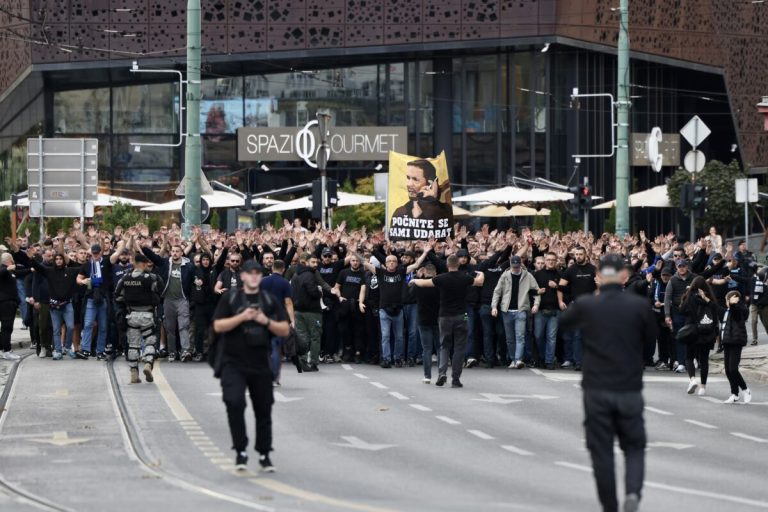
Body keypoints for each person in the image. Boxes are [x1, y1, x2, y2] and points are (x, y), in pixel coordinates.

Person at [559, 253, 657, 512]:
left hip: (596, 389)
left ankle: (610, 506)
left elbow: (563, 323)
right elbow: (650, 339)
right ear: (624, 275)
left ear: (599, 276)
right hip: (629, 387)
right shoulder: (638, 306)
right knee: (635, 446)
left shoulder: (587, 304)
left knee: (601, 451)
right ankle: (633, 492)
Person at [212, 259, 290, 472]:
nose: (254, 276)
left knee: (263, 408)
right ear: (243, 276)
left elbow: (284, 329)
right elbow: (218, 325)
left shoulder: (269, 300)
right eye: (250, 273)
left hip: (259, 363)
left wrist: (266, 321)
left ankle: (264, 454)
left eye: (258, 273)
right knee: (234, 403)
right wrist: (241, 317)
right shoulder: (231, 298)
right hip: (233, 362)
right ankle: (241, 450)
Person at [411, 254, 483, 388]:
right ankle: (456, 378)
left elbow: (424, 283)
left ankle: (442, 373)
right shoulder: (465, 277)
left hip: (444, 316)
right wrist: (481, 273)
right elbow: (480, 282)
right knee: (459, 347)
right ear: (458, 264)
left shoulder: (441, 278)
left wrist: (414, 280)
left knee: (444, 346)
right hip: (463, 315)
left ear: (447, 265)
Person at [114, 254, 164, 384]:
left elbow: (117, 296)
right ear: (142, 263)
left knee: (133, 345)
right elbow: (161, 291)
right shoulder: (151, 278)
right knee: (150, 342)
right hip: (147, 315)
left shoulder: (124, 278)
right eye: (145, 263)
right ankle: (148, 363)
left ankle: (134, 374)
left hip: (131, 316)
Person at [142, 242, 195, 362]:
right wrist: (144, 247)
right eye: (173, 251)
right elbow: (153, 257)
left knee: (184, 326)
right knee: (170, 328)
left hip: (182, 300)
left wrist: (197, 282)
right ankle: (172, 352)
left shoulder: (189, 266)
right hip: (168, 300)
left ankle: (185, 351)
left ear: (182, 253)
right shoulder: (165, 263)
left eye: (177, 251)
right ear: (171, 252)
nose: (175, 253)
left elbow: (194, 280)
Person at [491, 255, 540, 369]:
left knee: (520, 336)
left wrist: (536, 304)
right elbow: (497, 291)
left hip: (521, 310)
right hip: (506, 310)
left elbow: (536, 291)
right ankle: (513, 359)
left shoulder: (528, 276)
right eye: (514, 266)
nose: (516, 269)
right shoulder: (505, 275)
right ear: (510, 265)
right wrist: (494, 307)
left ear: (521, 265)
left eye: (517, 266)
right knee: (509, 338)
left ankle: (518, 360)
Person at [679, 276, 719, 396]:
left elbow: (681, 310)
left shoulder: (689, 296)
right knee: (704, 360)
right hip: (707, 332)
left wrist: (686, 295)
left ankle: (692, 379)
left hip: (692, 331)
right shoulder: (709, 298)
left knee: (689, 357)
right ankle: (703, 387)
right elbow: (716, 312)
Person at [558, 246, 597, 371]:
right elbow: (560, 287)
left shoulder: (593, 269)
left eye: (581, 254)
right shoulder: (570, 270)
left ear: (586, 254)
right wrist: (560, 301)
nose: (578, 256)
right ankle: (578, 362)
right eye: (576, 254)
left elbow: (600, 286)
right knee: (577, 335)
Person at [260, 259, 294, 385]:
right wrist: (292, 320)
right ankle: (274, 377)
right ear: (283, 269)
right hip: (278, 319)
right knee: (276, 348)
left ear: (272, 268)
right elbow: (288, 302)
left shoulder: (262, 281)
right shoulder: (285, 283)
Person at [76, 244, 113, 360]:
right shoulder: (87, 265)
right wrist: (83, 281)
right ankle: (85, 350)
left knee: (103, 326)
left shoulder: (106, 262)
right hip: (91, 298)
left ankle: (100, 351)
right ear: (91, 253)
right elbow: (78, 278)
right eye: (94, 253)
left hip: (103, 298)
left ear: (100, 252)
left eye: (97, 253)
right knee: (88, 325)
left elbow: (116, 255)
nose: (95, 255)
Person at [720, 291, 752, 404]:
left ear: (734, 299)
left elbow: (737, 316)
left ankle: (745, 389)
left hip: (736, 342)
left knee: (733, 369)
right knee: (728, 370)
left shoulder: (741, 309)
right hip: (727, 342)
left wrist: (733, 305)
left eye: (727, 299)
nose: (726, 302)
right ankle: (734, 394)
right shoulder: (727, 311)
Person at [409, 263, 440, 383]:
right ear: (435, 273)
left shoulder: (419, 285)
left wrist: (418, 277)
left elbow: (410, 295)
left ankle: (427, 376)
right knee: (440, 348)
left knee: (426, 349)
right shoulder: (439, 284)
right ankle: (442, 374)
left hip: (423, 319)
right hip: (438, 319)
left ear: (425, 272)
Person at [663, 258, 695, 373]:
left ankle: (690, 360)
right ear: (676, 267)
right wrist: (667, 315)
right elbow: (667, 299)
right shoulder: (673, 280)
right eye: (679, 266)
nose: (682, 268)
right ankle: (681, 363)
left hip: (691, 312)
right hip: (677, 312)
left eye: (683, 266)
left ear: (687, 267)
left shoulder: (693, 278)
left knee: (691, 337)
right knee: (680, 337)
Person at [0, 252, 20, 360]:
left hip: (10, 302)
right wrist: (7, 269)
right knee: (7, 328)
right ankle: (7, 351)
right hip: (5, 303)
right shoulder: (3, 269)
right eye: (12, 260)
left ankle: (2, 348)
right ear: (9, 260)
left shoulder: (10, 271)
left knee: (5, 328)